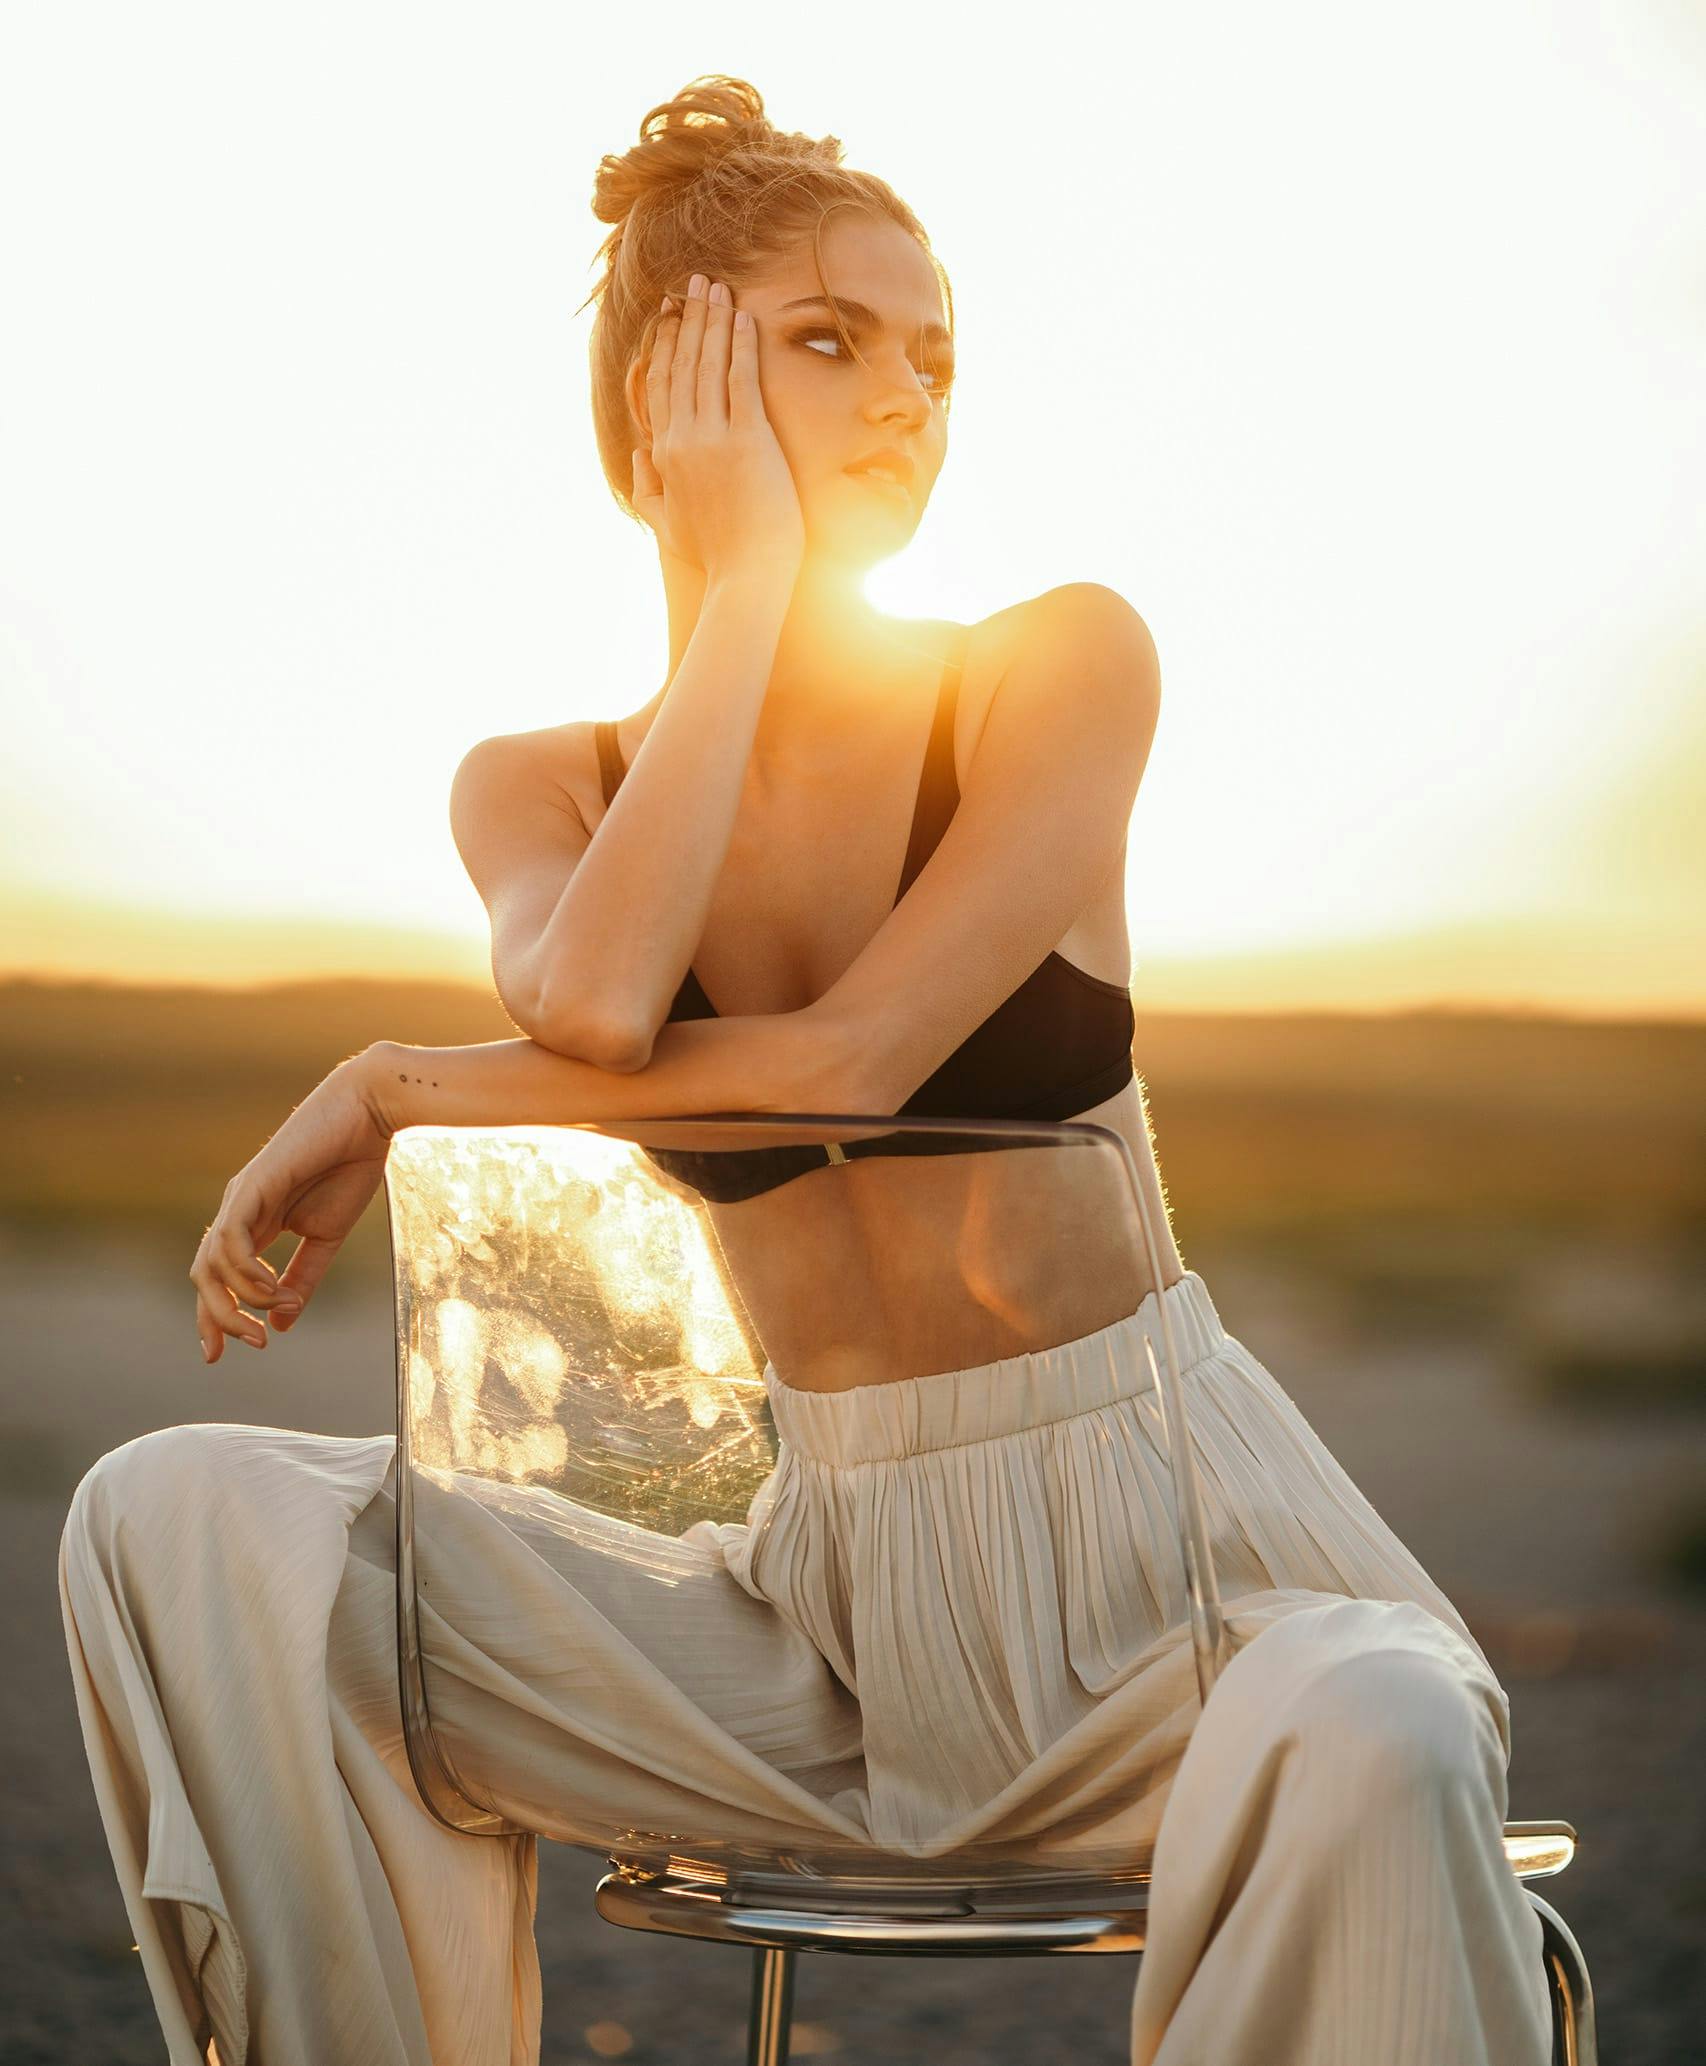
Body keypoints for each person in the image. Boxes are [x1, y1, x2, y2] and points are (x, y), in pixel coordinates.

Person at [59, 75, 1555, 2066]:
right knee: (181, 1519)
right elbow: (595, 1011)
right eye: (828, 341)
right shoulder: (540, 781)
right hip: (821, 1634)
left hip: (1187, 1617)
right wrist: (743, 594)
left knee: (1376, 1721)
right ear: (650, 400)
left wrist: (401, 1081)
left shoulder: (1054, 664)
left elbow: (853, 1059)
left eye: (933, 357)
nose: (903, 399)